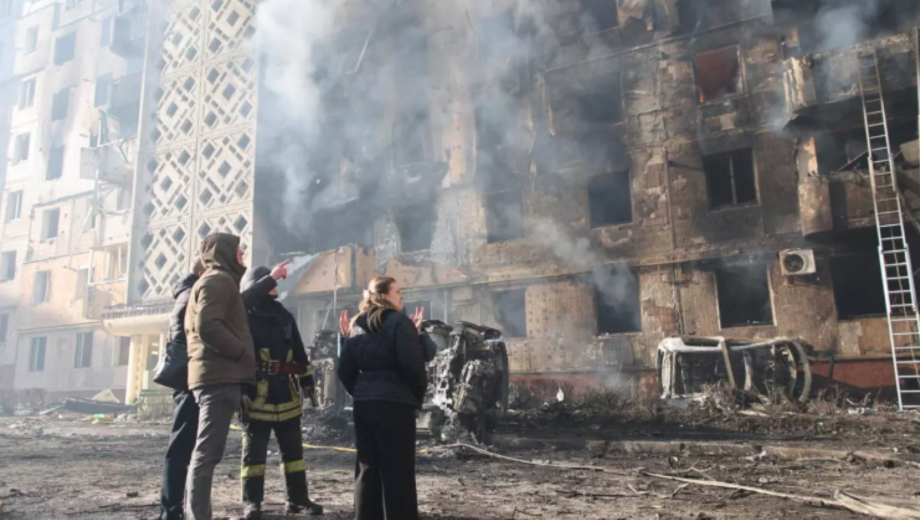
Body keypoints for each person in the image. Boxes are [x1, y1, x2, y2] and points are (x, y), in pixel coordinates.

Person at [336, 276, 433, 520]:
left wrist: (360, 393)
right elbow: (413, 365)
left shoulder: (357, 324)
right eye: (398, 292)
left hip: (364, 405)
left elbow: (344, 369)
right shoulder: (400, 322)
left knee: (367, 468)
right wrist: (416, 395)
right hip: (395, 405)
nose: (402, 296)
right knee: (397, 471)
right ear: (384, 296)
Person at [239, 265, 324, 519]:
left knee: (293, 453)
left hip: (285, 392)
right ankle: (252, 502)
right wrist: (240, 389)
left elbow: (298, 349)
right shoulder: (243, 315)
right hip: (255, 393)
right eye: (269, 283)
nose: (275, 287)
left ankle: (297, 499)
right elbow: (239, 357)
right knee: (254, 454)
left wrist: (307, 380)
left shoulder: (283, 314)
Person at [183, 233, 254, 520]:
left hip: (218, 375)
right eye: (239, 250)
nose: (242, 255)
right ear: (225, 252)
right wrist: (240, 353)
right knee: (207, 453)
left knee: (207, 452)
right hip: (218, 377)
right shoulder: (218, 280)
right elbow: (207, 327)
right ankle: (198, 516)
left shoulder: (217, 280)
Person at [159, 259, 205, 520]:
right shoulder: (191, 297)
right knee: (181, 447)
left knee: (183, 446)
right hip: (190, 379)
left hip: (187, 379)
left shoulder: (185, 294)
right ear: (201, 273)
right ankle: (172, 510)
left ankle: (175, 508)